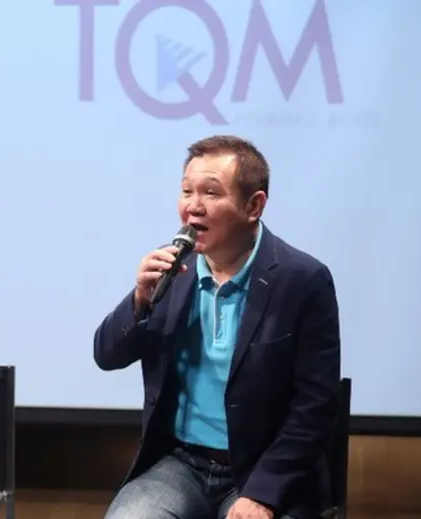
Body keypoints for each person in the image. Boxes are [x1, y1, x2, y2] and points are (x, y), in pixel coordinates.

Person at [94, 135, 341, 519]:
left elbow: (315, 404)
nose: (193, 206)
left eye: (211, 192)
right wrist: (139, 300)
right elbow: (106, 355)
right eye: (186, 191)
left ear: (254, 205)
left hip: (264, 469)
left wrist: (262, 493)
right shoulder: (172, 272)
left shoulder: (303, 280)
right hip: (179, 463)